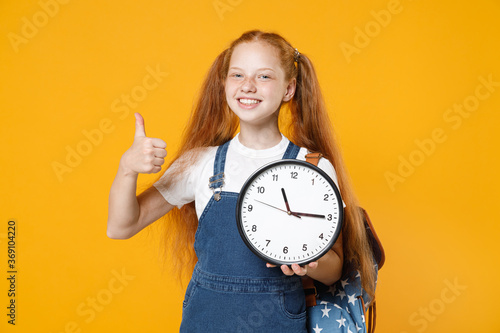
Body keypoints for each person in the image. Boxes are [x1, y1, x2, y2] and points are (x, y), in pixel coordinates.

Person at [107, 30, 376, 332]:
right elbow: (121, 226)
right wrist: (127, 168)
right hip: (207, 319)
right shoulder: (200, 163)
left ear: (289, 89)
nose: (248, 86)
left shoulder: (312, 167)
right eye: (237, 74)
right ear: (224, 84)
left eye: (264, 77)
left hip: (279, 322)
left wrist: (311, 263)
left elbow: (334, 271)